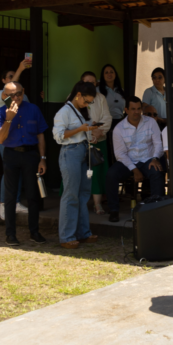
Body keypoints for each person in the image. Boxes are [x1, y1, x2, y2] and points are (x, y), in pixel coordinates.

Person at [0, 82, 49, 246]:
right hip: (11, 154)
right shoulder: (0, 112)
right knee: (10, 196)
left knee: (33, 195)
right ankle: (10, 234)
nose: (16, 98)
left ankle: (34, 231)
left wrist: (43, 158)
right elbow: (0, 139)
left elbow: (40, 135)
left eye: (18, 94)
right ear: (5, 96)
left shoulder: (33, 109)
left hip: (31, 154)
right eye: (12, 95)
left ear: (23, 92)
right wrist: (8, 120)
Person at [52, 82, 100, 249]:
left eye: (89, 102)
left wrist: (90, 134)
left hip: (83, 150)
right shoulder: (64, 112)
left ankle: (83, 233)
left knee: (83, 194)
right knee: (71, 193)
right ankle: (66, 236)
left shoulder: (80, 111)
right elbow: (58, 136)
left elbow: (82, 131)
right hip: (70, 152)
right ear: (78, 95)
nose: (87, 104)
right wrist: (80, 129)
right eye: (86, 101)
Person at [106, 97, 165, 222]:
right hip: (128, 160)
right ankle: (114, 210)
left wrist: (155, 158)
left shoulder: (150, 122)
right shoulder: (119, 128)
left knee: (157, 171)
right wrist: (134, 170)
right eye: (133, 109)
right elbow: (120, 154)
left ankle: (157, 210)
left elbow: (158, 144)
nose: (136, 112)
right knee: (111, 174)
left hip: (148, 158)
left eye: (139, 109)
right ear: (126, 110)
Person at [0, 61, 31, 220]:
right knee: (8, 171)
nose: (12, 79)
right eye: (9, 77)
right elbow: (10, 92)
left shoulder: (24, 96)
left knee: (20, 169)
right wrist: (21, 69)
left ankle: (15, 202)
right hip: (7, 137)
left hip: (23, 137)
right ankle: (3, 204)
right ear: (3, 81)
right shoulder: (0, 94)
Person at [81, 71, 112, 216]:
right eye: (87, 82)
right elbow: (74, 122)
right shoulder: (74, 97)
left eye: (93, 82)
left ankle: (98, 204)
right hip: (80, 142)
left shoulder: (101, 98)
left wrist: (100, 132)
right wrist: (89, 134)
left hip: (99, 141)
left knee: (98, 173)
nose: (90, 85)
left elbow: (107, 117)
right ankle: (76, 204)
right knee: (79, 173)